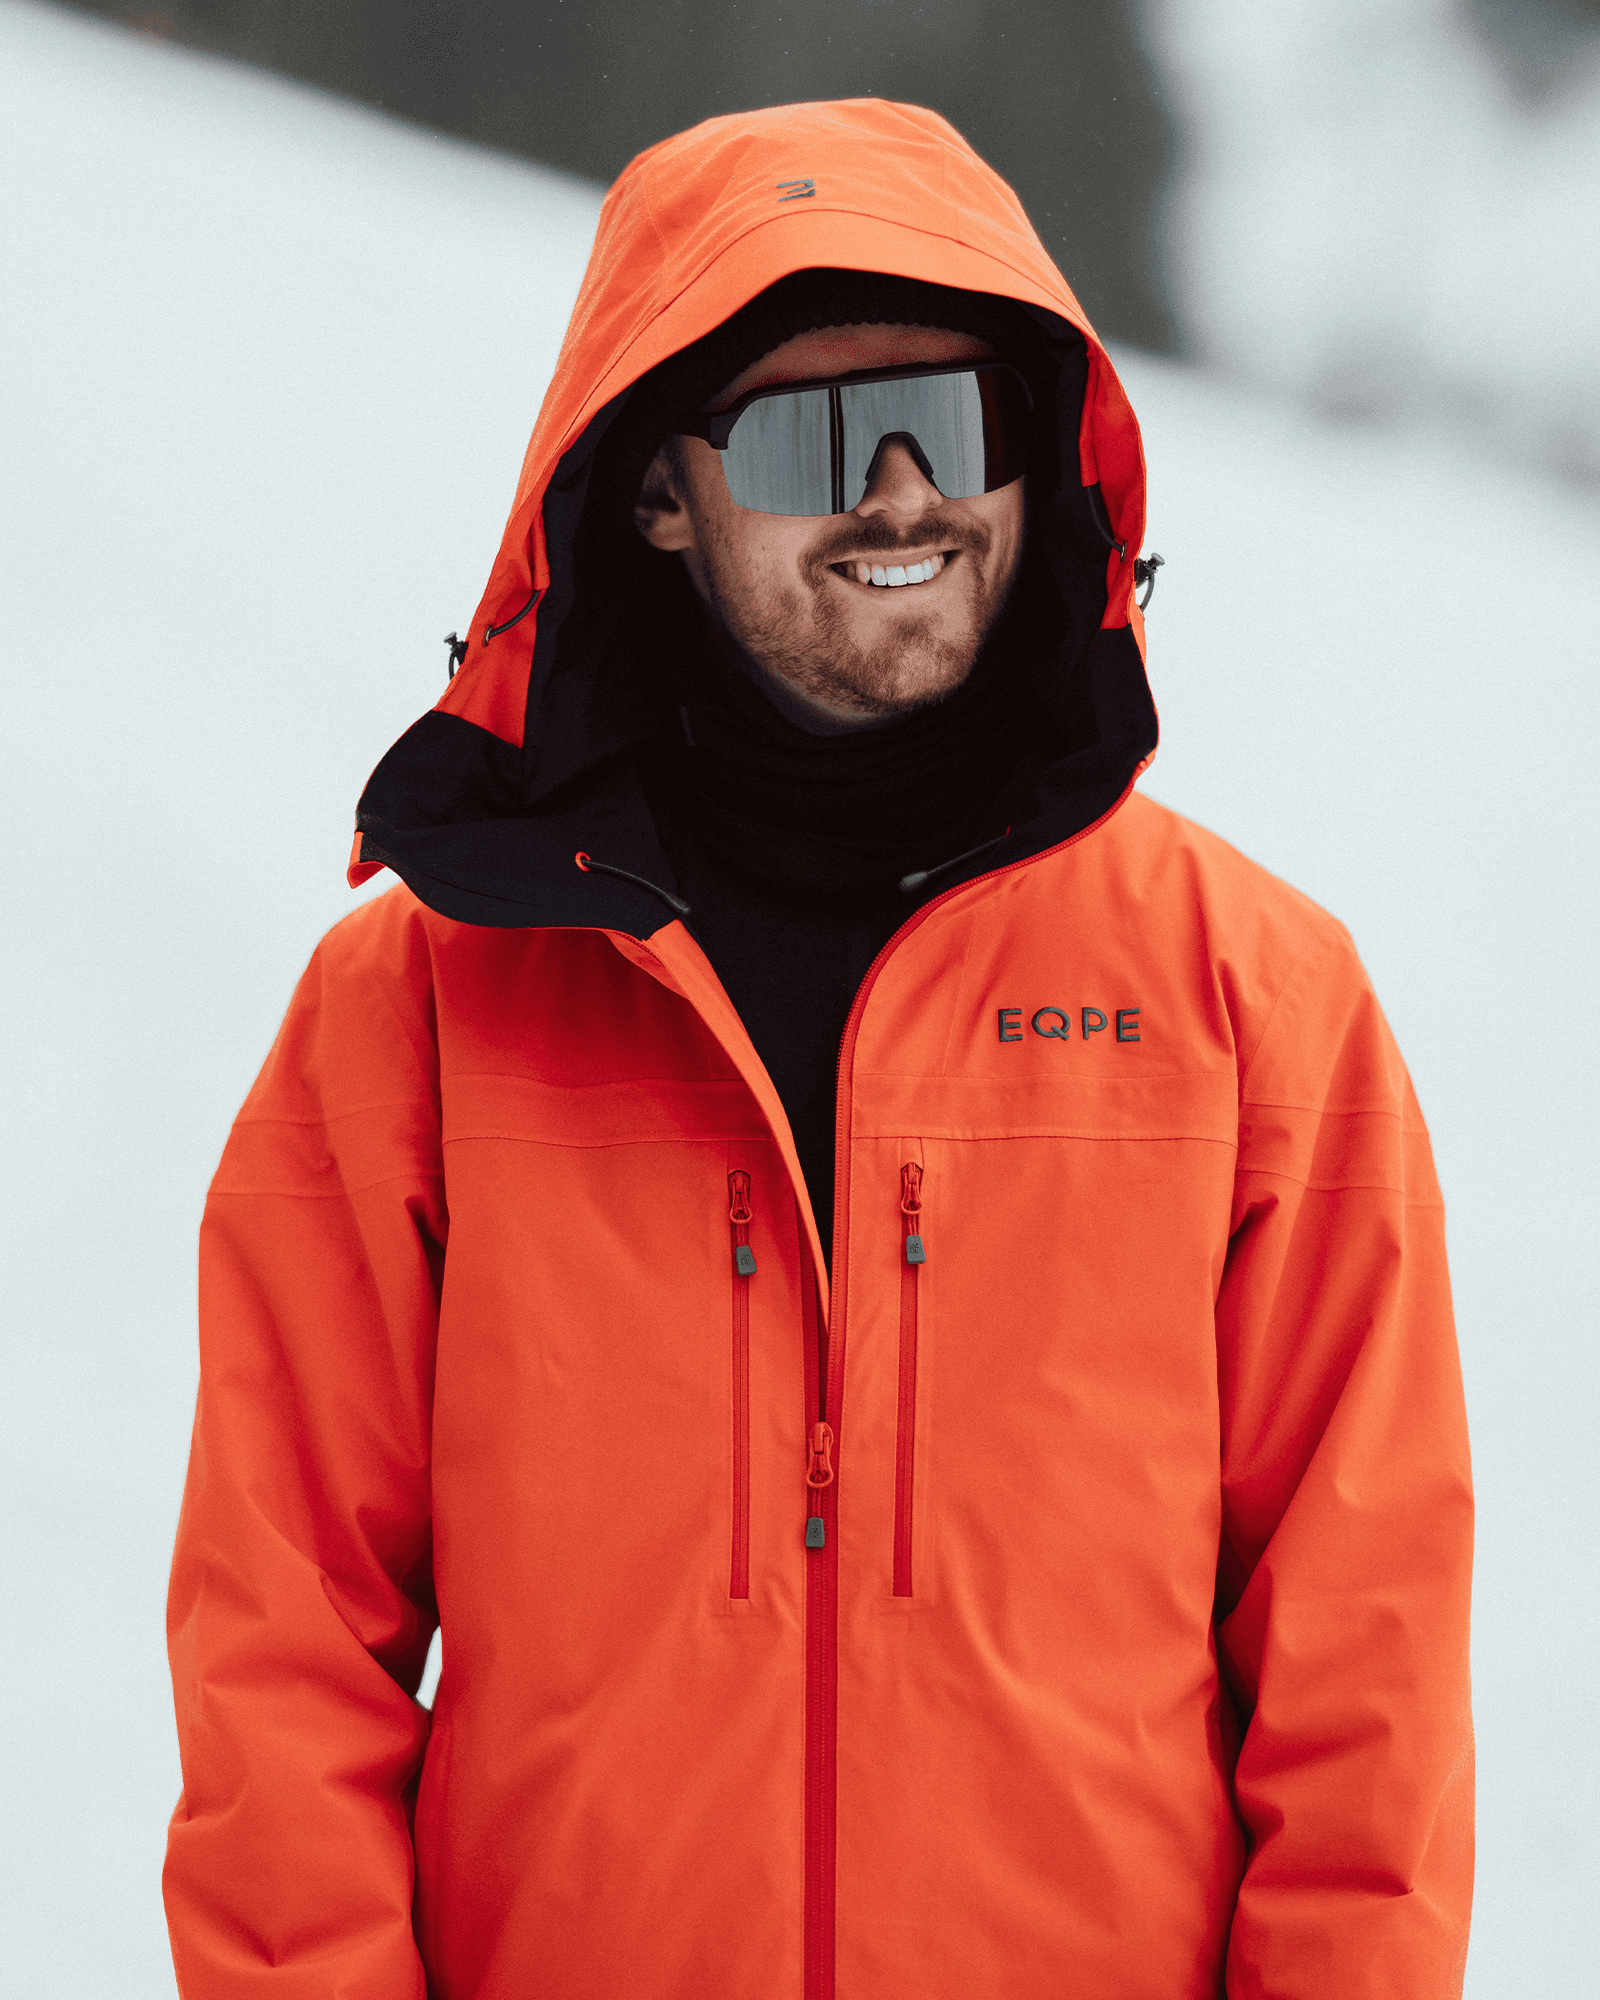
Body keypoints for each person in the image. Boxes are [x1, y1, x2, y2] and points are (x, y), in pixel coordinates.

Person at [163, 99, 1474, 1999]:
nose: (900, 495)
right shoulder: (419, 1018)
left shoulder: (1253, 1005)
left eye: (953, 420)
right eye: (803, 439)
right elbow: (281, 1664)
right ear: (656, 493)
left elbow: (1368, 1700)